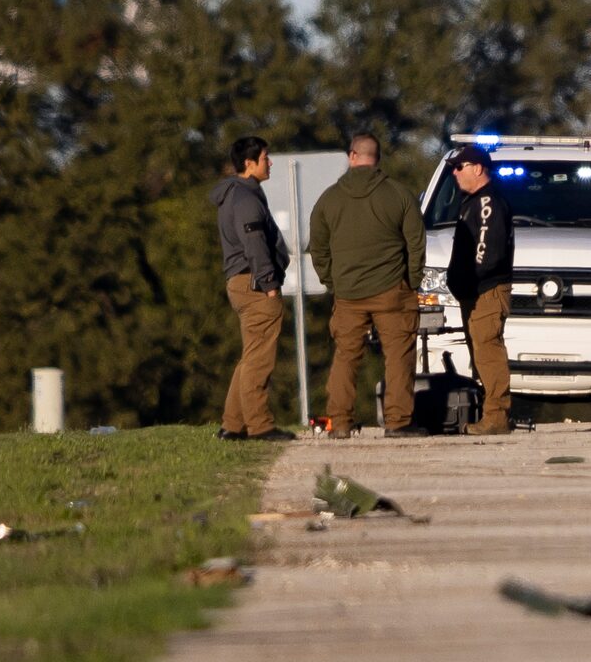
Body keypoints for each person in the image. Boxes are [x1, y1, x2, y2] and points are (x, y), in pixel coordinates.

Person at [309, 130, 428, 436]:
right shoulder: (398, 194)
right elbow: (416, 243)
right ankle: (398, 421)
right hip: (392, 291)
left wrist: (331, 280)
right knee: (399, 356)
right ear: (377, 159)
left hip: (348, 293)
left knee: (346, 356)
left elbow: (318, 248)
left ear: (352, 156)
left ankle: (340, 422)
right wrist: (412, 281)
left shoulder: (328, 199)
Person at [211, 136, 290, 440]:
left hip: (241, 281)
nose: (270, 163)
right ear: (249, 163)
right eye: (265, 158)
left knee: (250, 356)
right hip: (254, 283)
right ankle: (260, 425)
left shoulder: (235, 194)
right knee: (260, 360)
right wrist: (269, 284)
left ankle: (233, 425)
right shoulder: (245, 199)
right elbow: (255, 244)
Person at [441, 146, 515, 434]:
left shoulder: (487, 203)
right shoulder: (471, 202)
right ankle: (491, 412)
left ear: (478, 168)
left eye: (460, 167)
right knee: (480, 352)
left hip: (486, 289)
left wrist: (470, 279)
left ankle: (496, 416)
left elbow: (487, 252)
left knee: (488, 351)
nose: (454, 173)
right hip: (473, 290)